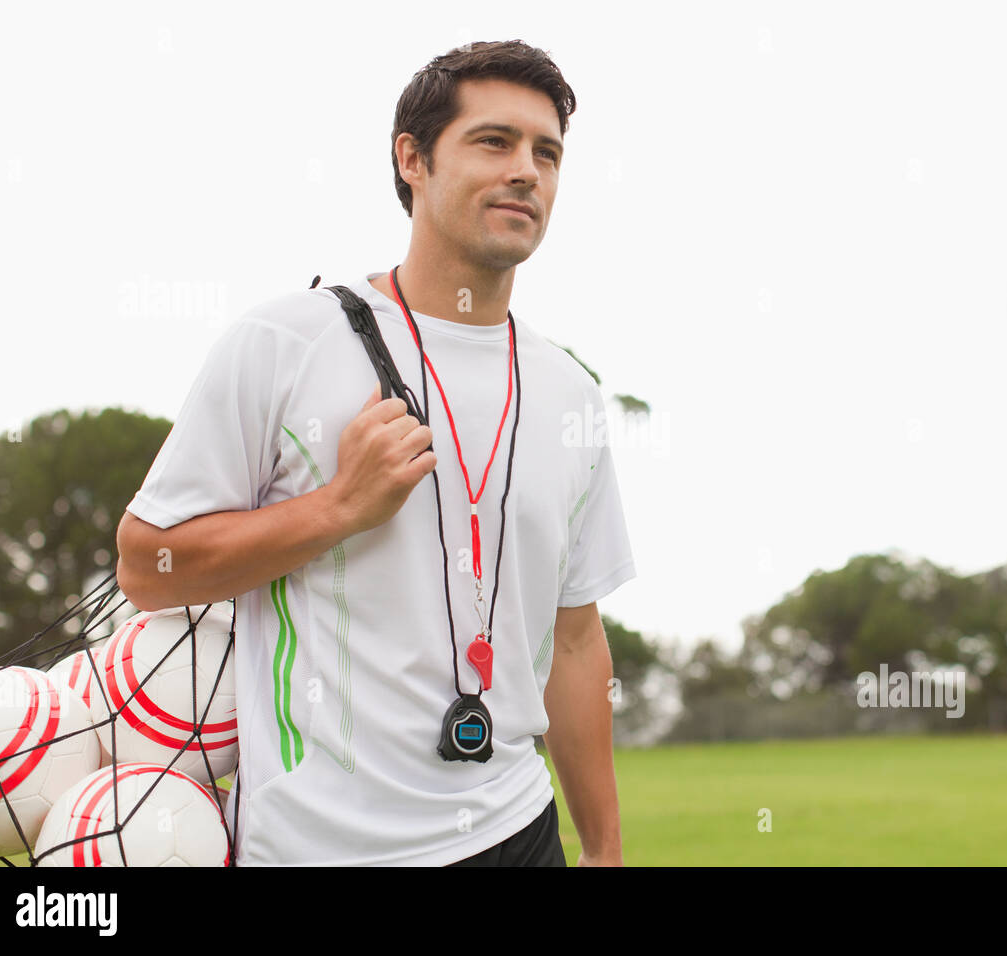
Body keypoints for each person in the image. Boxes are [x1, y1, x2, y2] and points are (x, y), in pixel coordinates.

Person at [114, 39, 636, 866]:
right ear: (413, 159)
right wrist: (335, 511)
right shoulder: (285, 340)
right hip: (317, 849)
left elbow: (574, 640)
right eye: (494, 142)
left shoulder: (571, 393)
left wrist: (604, 851)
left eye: (548, 153)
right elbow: (148, 567)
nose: (527, 172)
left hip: (515, 829)